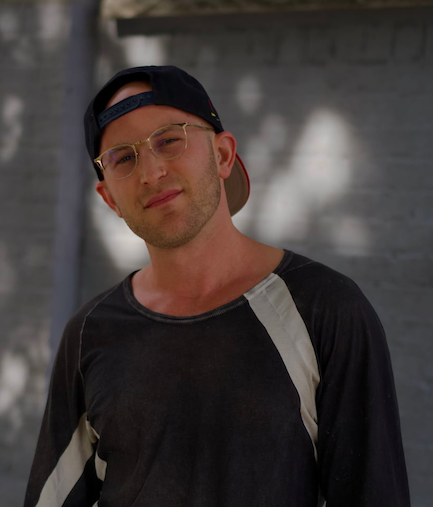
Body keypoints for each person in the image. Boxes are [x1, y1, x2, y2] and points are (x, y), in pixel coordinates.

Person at [23, 65, 410, 507]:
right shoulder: (90, 333)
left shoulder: (325, 309)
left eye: (169, 140)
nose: (151, 171)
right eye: (123, 158)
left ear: (223, 155)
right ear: (110, 197)